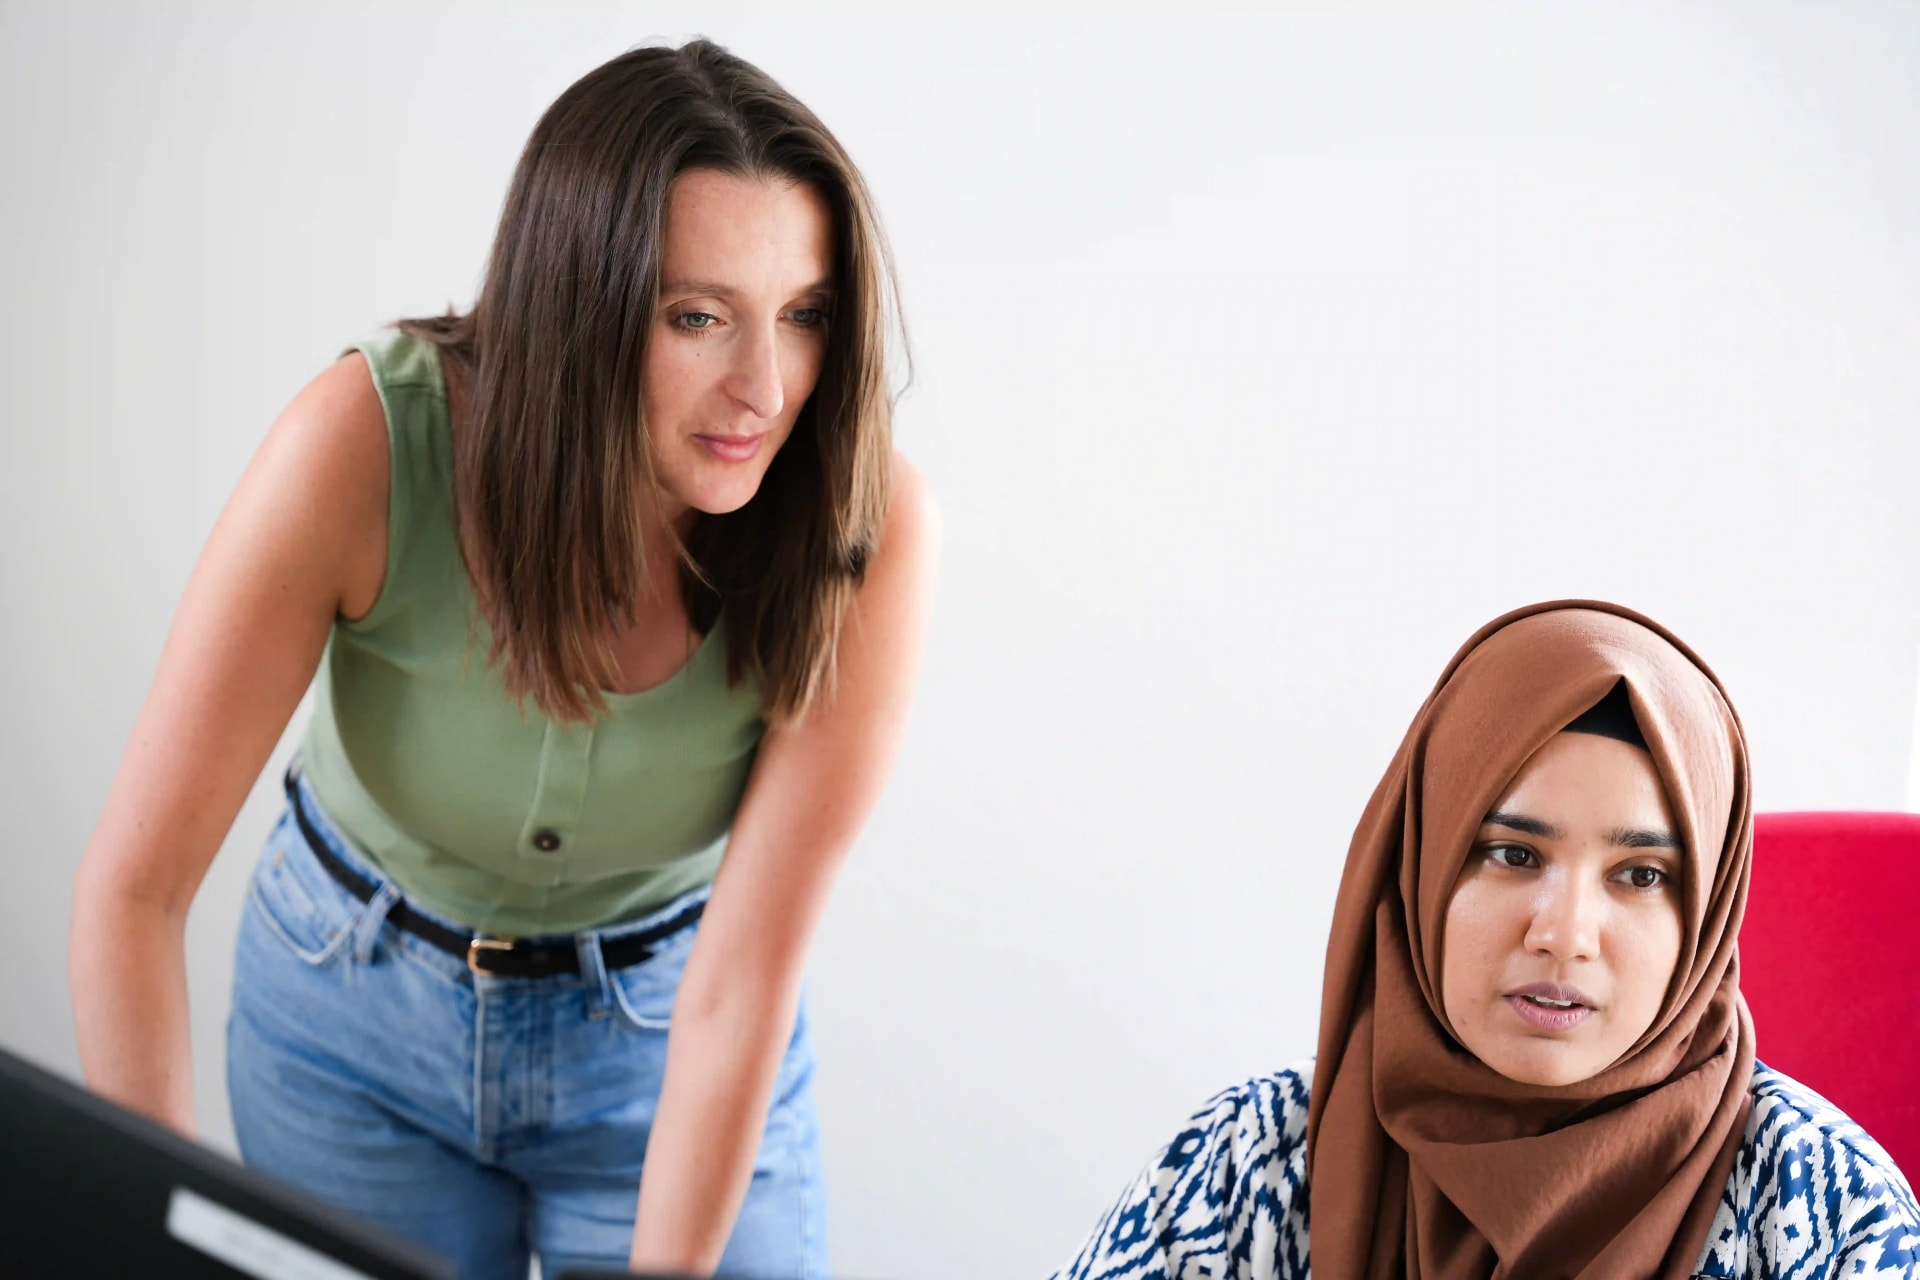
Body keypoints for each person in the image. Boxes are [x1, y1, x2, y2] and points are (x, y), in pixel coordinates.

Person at [68, 39, 937, 1280]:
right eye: (698, 316)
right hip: (348, 1031)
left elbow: (741, 985)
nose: (765, 387)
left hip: (667, 1039)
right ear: (579, 304)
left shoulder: (869, 529)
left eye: (802, 318)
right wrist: (155, 1235)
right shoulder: (362, 446)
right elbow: (132, 893)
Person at [1051, 602, 1918, 1279]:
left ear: (1707, 915)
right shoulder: (1254, 1165)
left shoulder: (1828, 1214)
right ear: (1421, 865)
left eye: (1641, 875)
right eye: (1512, 853)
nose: (1566, 934)